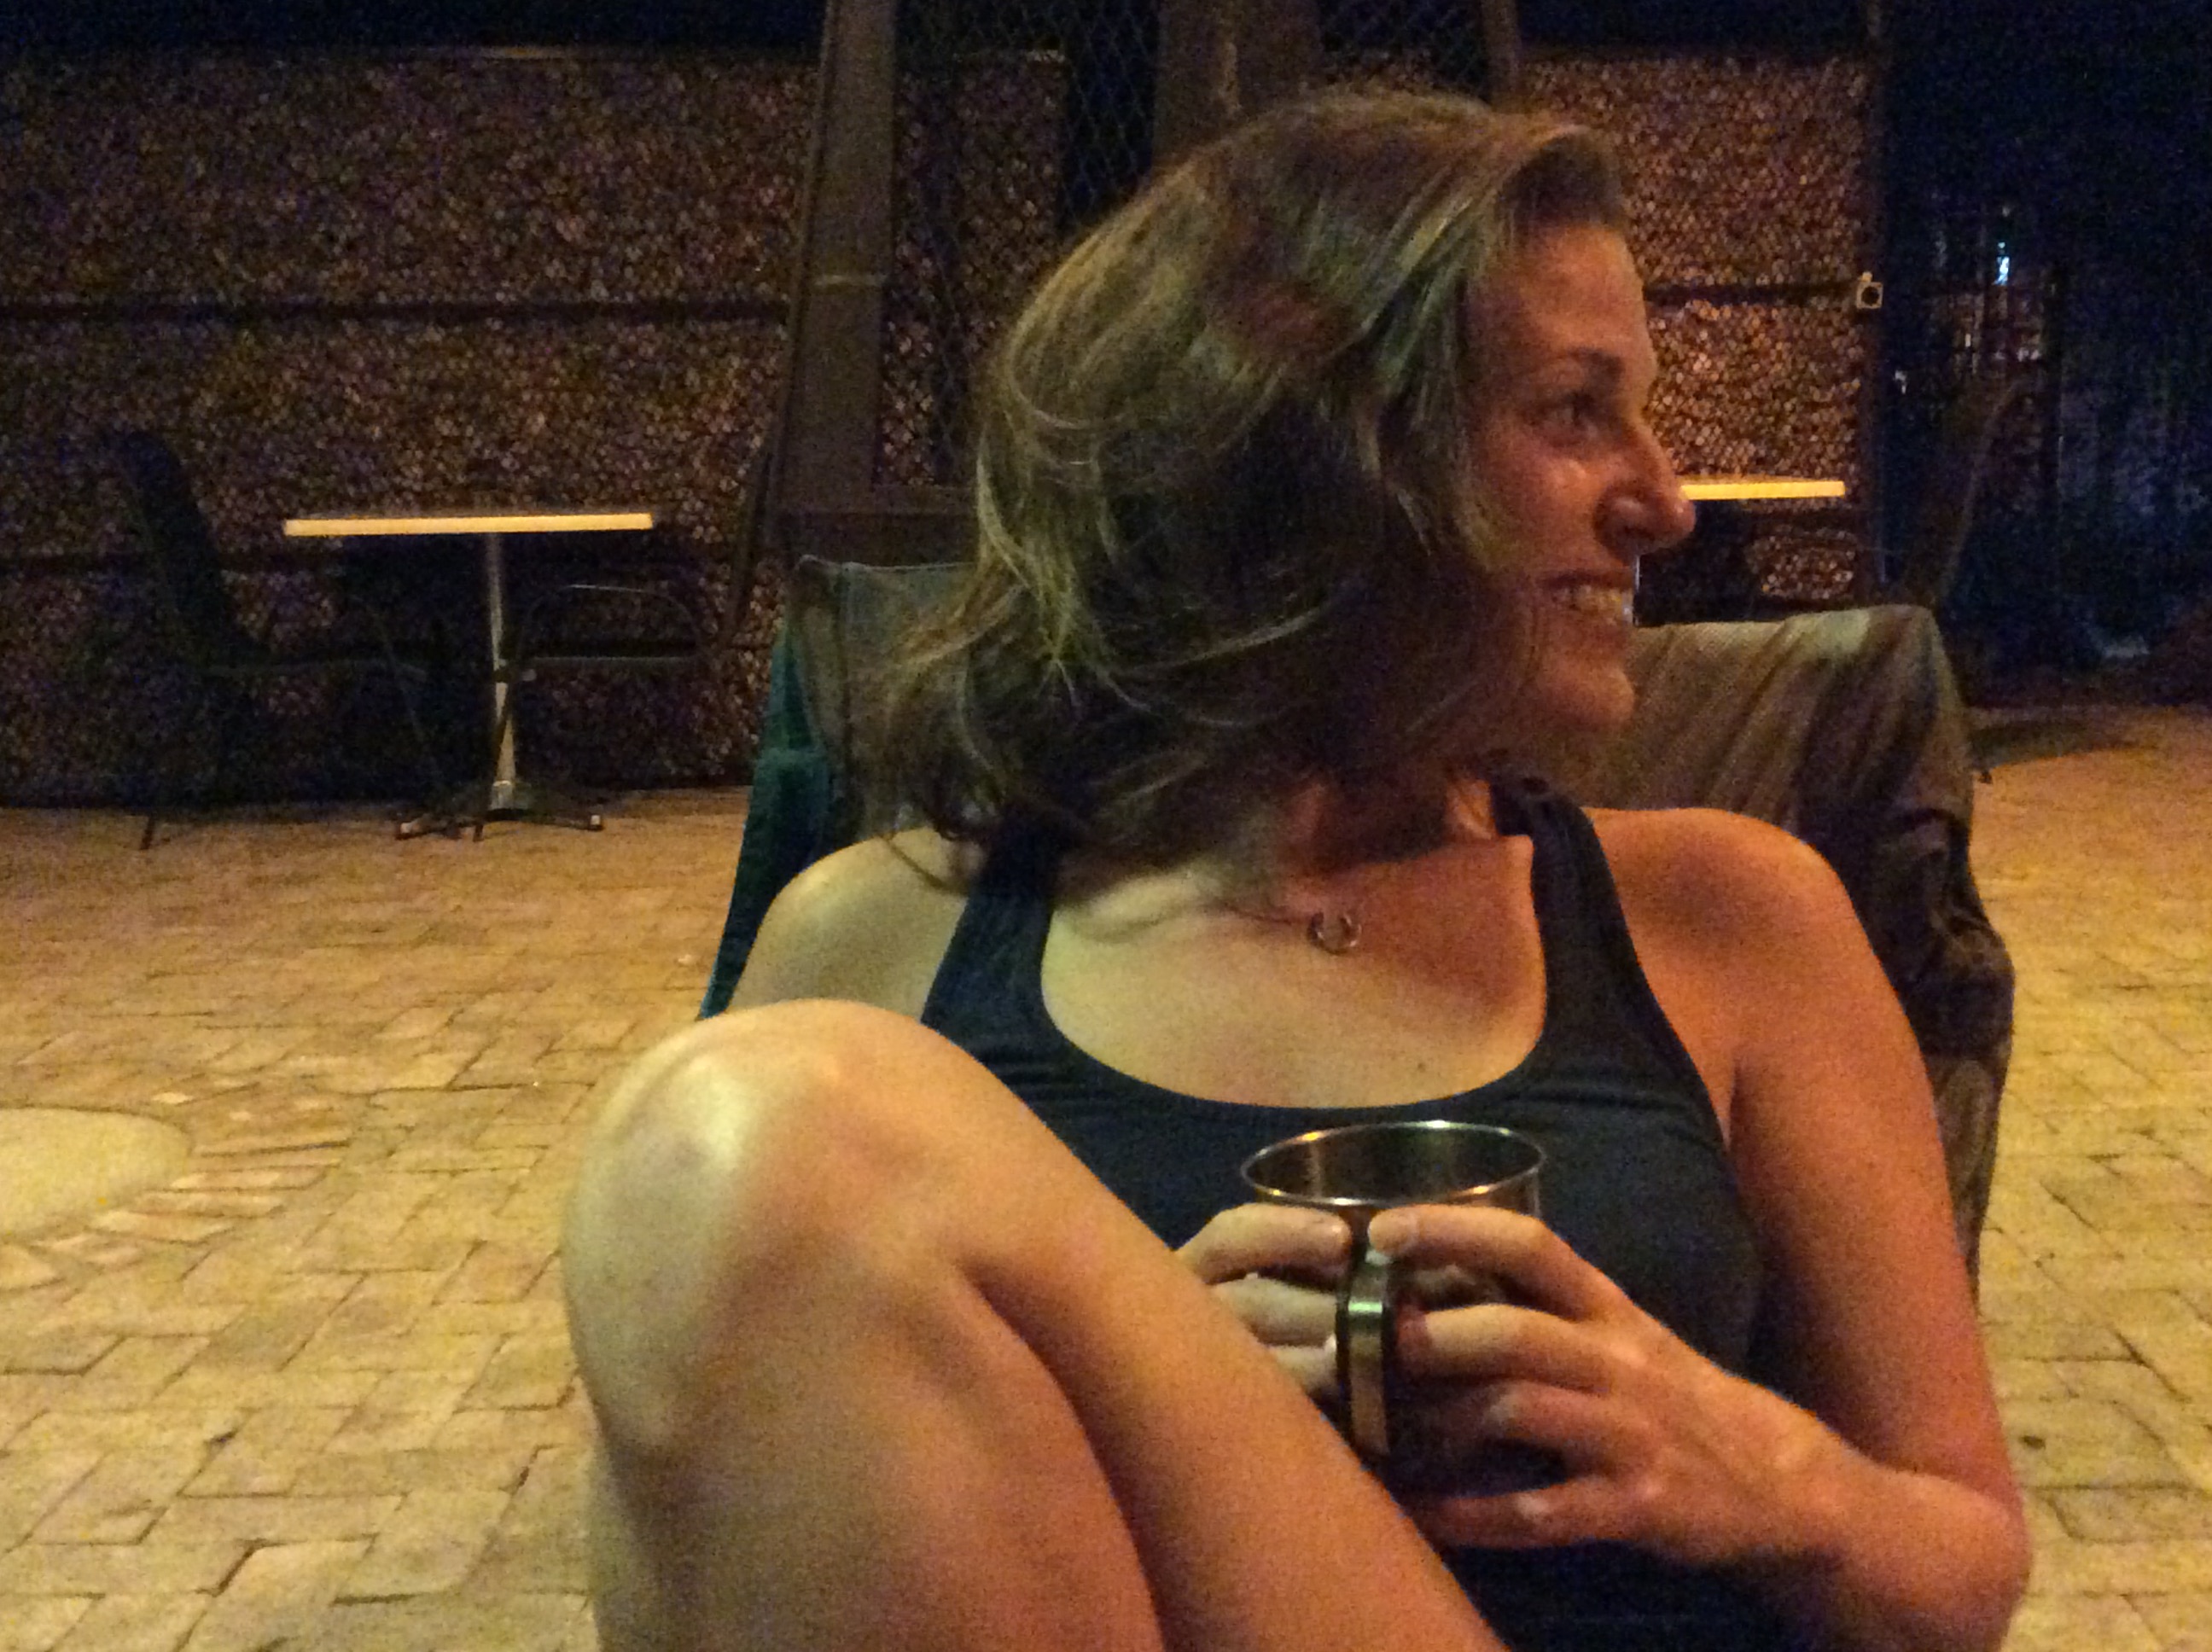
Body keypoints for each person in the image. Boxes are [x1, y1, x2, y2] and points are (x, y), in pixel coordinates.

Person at [563, 88, 2029, 1652]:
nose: (1664, 502)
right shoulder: (881, 940)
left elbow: (1962, 1574)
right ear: (1311, 461)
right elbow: (704, 1563)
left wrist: (1751, 1464)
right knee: (742, 1147)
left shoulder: (1726, 918)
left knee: (769, 1130)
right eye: (1572, 412)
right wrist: (1139, 1402)